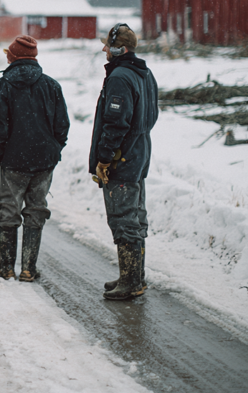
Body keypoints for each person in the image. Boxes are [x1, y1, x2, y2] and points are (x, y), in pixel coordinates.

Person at [0, 35, 70, 282]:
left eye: (7, 54)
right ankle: (28, 269)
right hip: (44, 160)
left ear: (12, 57)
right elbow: (62, 125)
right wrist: (54, 149)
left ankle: (6, 266)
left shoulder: (4, 85)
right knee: (36, 209)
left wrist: (0, 152)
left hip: (13, 160)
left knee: (8, 209)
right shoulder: (51, 85)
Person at [90, 23, 159, 300]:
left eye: (108, 45)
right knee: (135, 217)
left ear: (121, 48)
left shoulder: (120, 76)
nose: (104, 49)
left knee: (123, 219)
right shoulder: (144, 73)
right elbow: (150, 116)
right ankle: (133, 276)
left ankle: (131, 282)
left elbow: (116, 123)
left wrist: (105, 158)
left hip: (123, 159)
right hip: (139, 155)